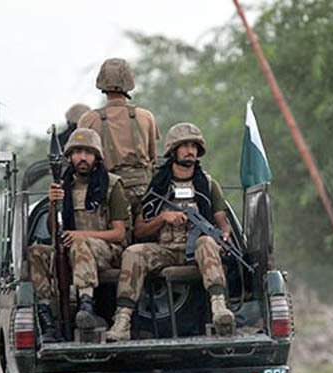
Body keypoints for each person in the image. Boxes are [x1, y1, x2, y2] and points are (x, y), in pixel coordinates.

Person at [105, 122, 235, 342]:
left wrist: (223, 236)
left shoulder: (208, 184)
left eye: (194, 146)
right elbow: (140, 229)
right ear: (173, 151)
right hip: (165, 250)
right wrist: (163, 218)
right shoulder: (157, 186)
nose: (190, 151)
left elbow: (222, 221)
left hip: (197, 252)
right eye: (184, 146)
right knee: (133, 253)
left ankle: (219, 308)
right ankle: (122, 321)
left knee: (207, 242)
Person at [28, 128, 130, 343]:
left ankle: (86, 304)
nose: (82, 158)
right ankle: (47, 315)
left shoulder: (111, 185)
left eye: (88, 152)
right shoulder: (63, 185)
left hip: (106, 252)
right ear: (69, 157)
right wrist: (54, 203)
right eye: (77, 152)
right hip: (72, 249)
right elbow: (55, 232)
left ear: (96, 156)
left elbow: (119, 234)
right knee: (36, 251)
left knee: (79, 242)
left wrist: (80, 235)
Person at [78, 58, 161, 214]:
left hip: (106, 191)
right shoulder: (146, 117)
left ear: (101, 83)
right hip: (143, 192)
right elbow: (153, 159)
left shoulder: (88, 119)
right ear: (129, 82)